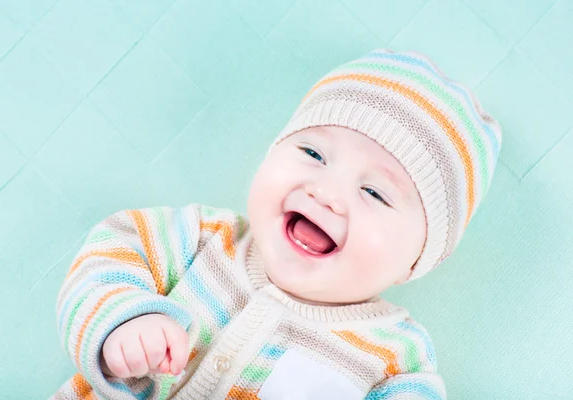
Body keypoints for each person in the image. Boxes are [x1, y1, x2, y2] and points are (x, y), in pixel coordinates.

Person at [51, 48, 502, 400]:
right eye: (313, 154)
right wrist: (123, 319)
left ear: (416, 262)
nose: (326, 192)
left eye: (375, 193)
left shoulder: (397, 360)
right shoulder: (203, 238)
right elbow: (112, 249)